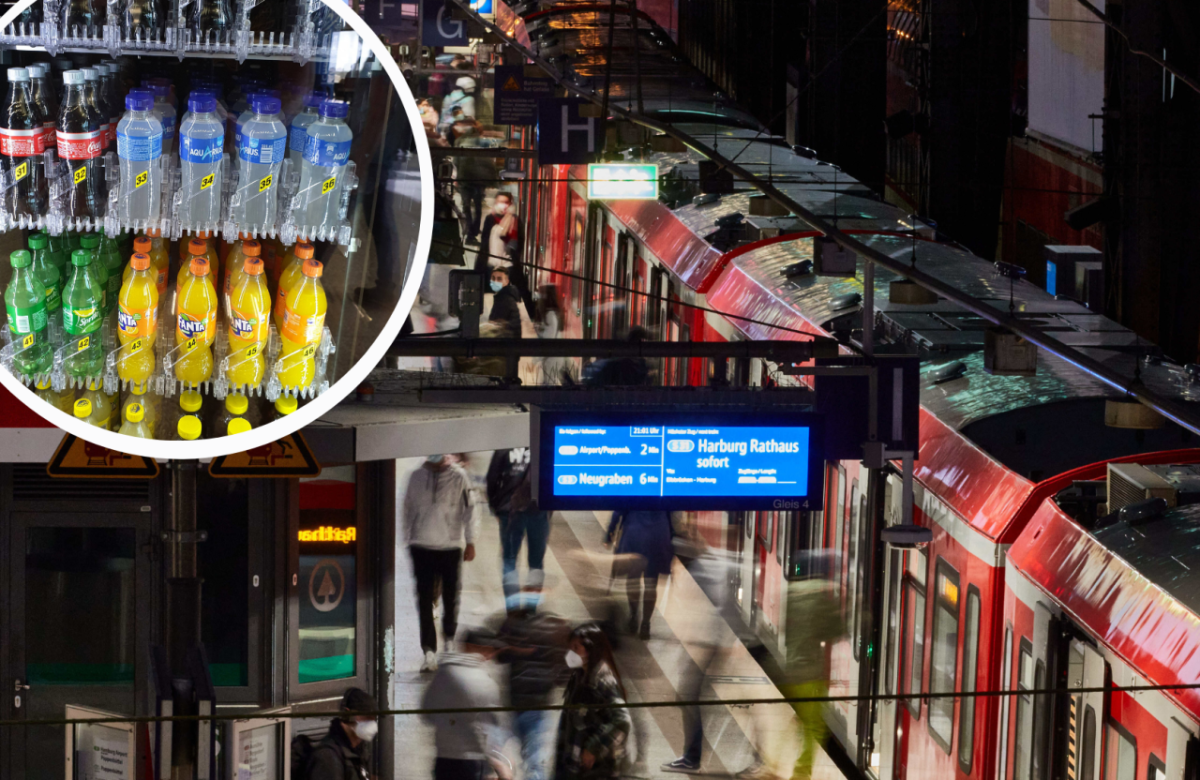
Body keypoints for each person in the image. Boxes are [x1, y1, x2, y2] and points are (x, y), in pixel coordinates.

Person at [404, 454, 478, 672]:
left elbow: (470, 510)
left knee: (450, 597)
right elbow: (407, 508)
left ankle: (449, 641)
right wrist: (407, 539)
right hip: (421, 546)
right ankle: (429, 651)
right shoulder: (416, 477)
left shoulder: (459, 477)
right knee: (425, 600)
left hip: (450, 546)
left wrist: (471, 541)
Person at [781, 551, 845, 780]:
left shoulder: (792, 592)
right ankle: (799, 772)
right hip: (811, 673)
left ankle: (779, 766)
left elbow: (786, 631)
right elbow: (836, 631)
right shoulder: (822, 595)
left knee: (803, 721)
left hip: (791, 669)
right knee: (815, 727)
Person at [494, 588, 570, 780]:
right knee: (535, 760)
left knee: (502, 754)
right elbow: (564, 671)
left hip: (515, 702)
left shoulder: (511, 626)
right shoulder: (556, 628)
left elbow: (499, 656)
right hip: (538, 704)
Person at [422, 628, 511, 780]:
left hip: (443, 757)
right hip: (473, 760)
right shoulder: (484, 682)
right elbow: (490, 728)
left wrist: (449, 724)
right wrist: (498, 763)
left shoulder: (443, 672)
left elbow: (427, 713)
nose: (490, 656)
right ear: (476, 648)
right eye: (490, 650)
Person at [554, 624, 632, 780]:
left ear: (591, 649)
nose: (571, 653)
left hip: (597, 768)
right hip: (574, 763)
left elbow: (622, 720)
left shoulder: (603, 681)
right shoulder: (578, 676)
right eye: (571, 647)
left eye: (576, 647)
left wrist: (593, 748)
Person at [487, 446, 550, 599]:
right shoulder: (544, 443)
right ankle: (531, 609)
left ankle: (513, 610)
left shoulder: (505, 446)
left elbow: (492, 478)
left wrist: (496, 506)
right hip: (538, 511)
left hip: (509, 512)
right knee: (536, 562)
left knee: (509, 560)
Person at [605, 509, 673, 640]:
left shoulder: (632, 487)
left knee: (633, 578)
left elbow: (619, 507)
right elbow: (673, 511)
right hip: (658, 533)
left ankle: (633, 616)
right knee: (651, 583)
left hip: (634, 531)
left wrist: (610, 531)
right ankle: (646, 624)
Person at [307, 687, 379, 780]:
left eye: (373, 719)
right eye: (366, 717)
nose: (371, 723)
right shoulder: (327, 757)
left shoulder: (357, 751)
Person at [534, 284, 570, 384]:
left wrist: (536, 359)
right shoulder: (553, 314)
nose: (539, 297)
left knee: (548, 385)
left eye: (541, 294)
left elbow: (547, 339)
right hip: (554, 357)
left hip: (552, 358)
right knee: (548, 384)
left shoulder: (550, 315)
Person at [488, 266, 523, 338]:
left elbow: (500, 326)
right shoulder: (501, 297)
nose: (495, 281)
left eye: (499, 279)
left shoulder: (506, 300)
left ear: (507, 281)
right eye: (493, 278)